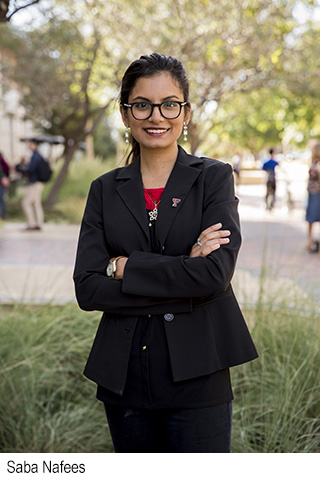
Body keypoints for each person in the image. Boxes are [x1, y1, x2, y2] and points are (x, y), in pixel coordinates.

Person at [73, 53, 258, 453]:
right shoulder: (104, 190)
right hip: (124, 375)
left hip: (199, 371)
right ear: (126, 115)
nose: (156, 116)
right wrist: (184, 268)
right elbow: (87, 289)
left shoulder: (214, 177)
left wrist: (124, 268)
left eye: (169, 104)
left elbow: (214, 276)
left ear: (186, 112)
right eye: (142, 104)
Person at [15, 139, 44, 230]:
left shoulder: (35, 157)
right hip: (39, 183)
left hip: (34, 183)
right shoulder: (39, 156)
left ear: (34, 145)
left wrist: (21, 169)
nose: (28, 146)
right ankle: (38, 223)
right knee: (36, 204)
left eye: (30, 144)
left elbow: (30, 170)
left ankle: (31, 224)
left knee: (26, 203)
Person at [306, 143, 320, 253]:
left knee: (314, 217)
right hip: (312, 192)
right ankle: (310, 241)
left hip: (316, 193)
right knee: (311, 218)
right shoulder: (314, 163)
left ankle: (312, 242)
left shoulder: (318, 164)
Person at [0, 151, 11, 222]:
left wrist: (4, 177)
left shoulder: (1, 159)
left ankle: (1, 217)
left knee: (1, 200)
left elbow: (7, 168)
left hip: (0, 183)